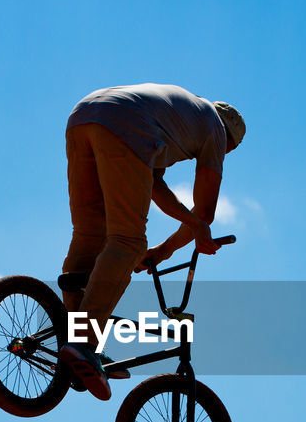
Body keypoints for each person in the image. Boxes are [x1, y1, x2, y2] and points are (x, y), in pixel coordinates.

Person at [58, 83, 246, 400]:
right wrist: (195, 229)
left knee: (90, 234)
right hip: (123, 125)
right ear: (229, 141)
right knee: (128, 242)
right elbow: (206, 211)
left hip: (83, 116)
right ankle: (84, 344)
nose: (223, 155)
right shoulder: (215, 128)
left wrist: (164, 249)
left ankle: (76, 343)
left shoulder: (181, 116)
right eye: (229, 151)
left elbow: (154, 184)